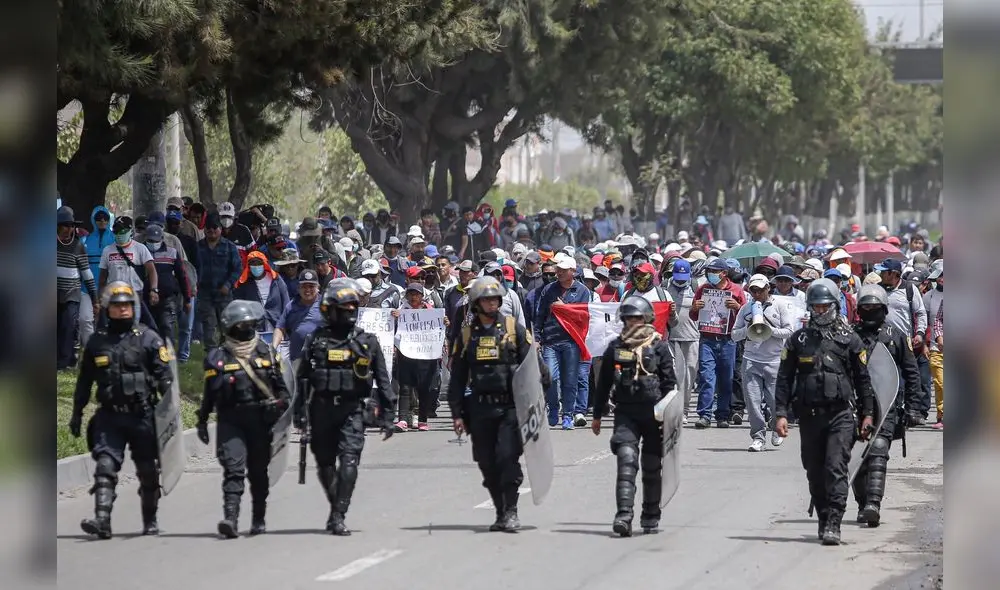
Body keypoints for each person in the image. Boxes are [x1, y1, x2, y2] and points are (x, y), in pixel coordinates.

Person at [774, 278, 876, 546]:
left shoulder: (850, 339)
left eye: (824, 307)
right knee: (814, 471)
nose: (819, 312)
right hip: (808, 416)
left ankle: (834, 522)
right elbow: (784, 378)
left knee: (835, 467)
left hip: (841, 415)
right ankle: (823, 517)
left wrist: (867, 414)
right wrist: (781, 413)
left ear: (834, 305)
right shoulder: (799, 340)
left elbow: (863, 379)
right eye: (815, 307)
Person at [68, 282, 174, 539]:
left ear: (134, 307)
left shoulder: (149, 338)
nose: (123, 309)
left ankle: (150, 520)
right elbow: (84, 381)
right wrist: (77, 413)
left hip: (143, 417)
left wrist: (170, 411)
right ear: (108, 309)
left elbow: (167, 380)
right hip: (110, 416)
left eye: (127, 305)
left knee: (148, 472)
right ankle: (102, 520)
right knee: (105, 465)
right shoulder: (97, 342)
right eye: (117, 306)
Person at [294, 278, 395, 535]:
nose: (350, 312)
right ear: (330, 310)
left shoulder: (367, 342)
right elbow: (302, 378)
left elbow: (383, 381)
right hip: (321, 410)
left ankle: (339, 515)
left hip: (353, 411)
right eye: (344, 308)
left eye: (353, 307)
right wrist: (299, 414)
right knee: (325, 464)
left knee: (349, 462)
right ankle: (336, 506)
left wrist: (388, 416)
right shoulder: (316, 340)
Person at [196, 300, 290, 538]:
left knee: (258, 472)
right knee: (233, 469)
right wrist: (202, 421)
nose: (245, 328)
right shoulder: (217, 357)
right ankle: (231, 518)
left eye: (248, 324)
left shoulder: (266, 352)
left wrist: (281, 408)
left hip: (261, 422)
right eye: (241, 325)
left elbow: (283, 389)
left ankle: (259, 518)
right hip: (231, 420)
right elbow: (209, 393)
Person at [447, 277, 532, 532]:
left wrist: (536, 397)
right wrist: (456, 413)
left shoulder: (513, 329)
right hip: (480, 409)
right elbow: (458, 377)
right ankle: (499, 512)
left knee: (507, 458)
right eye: (486, 299)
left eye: (495, 298)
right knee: (487, 463)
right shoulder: (465, 335)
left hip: (510, 408)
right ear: (476, 303)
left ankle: (512, 511)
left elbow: (534, 368)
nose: (492, 303)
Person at [591, 296, 677, 536]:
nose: (633, 322)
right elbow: (604, 383)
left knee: (651, 467)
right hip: (626, 413)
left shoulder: (659, 346)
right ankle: (624, 516)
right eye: (629, 318)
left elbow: (671, 385)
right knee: (626, 461)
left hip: (654, 416)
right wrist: (597, 415)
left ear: (647, 318)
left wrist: (669, 419)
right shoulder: (615, 347)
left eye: (637, 317)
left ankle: (650, 516)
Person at [851, 284, 922, 527]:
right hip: (855, 406)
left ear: (883, 308)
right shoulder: (850, 336)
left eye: (874, 306)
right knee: (857, 457)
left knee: (879, 448)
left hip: (887, 403)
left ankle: (873, 504)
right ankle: (862, 504)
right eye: (866, 306)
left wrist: (915, 407)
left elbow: (912, 373)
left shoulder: (896, 336)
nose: (870, 310)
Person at [731, 274, 794, 452]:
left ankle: (775, 426)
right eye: (753, 290)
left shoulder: (779, 306)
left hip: (774, 360)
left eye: (760, 290)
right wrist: (748, 328)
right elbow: (734, 335)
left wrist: (769, 329)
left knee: (775, 401)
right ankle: (758, 437)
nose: (757, 293)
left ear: (768, 288)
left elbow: (789, 331)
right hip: (751, 360)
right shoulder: (745, 308)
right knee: (753, 402)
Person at [272, 269, 324, 362]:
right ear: (298, 288)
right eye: (304, 286)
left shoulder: (325, 305)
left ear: (318, 287)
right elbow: (280, 328)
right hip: (296, 360)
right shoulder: (291, 306)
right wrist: (273, 348)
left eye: (311, 286)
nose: (307, 290)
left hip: (320, 359)